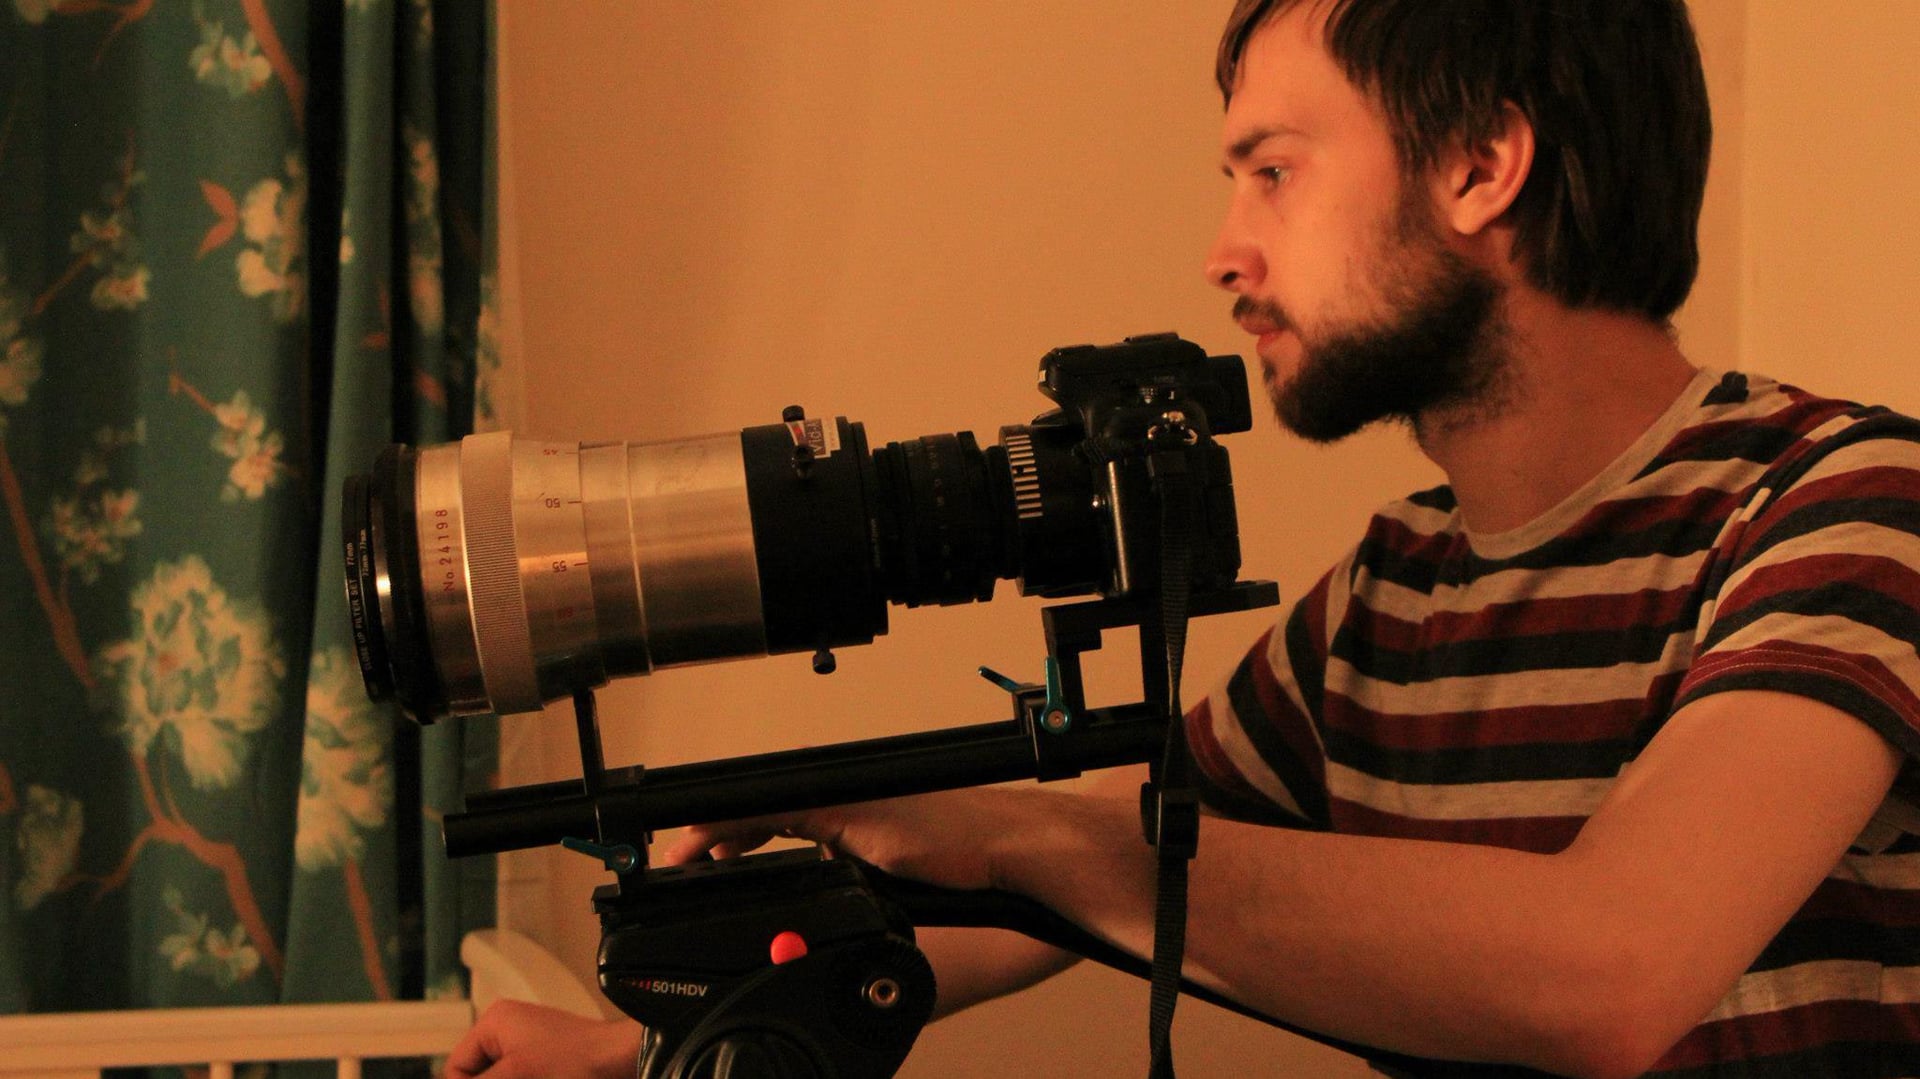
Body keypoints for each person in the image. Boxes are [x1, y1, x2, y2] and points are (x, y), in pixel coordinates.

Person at [450, 1, 1920, 1076]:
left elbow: (1611, 971)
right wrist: (641, 1045)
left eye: (1273, 171)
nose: (1224, 252)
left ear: (1480, 165)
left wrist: (1017, 827)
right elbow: (1074, 897)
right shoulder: (1392, 599)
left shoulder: (1841, 500)